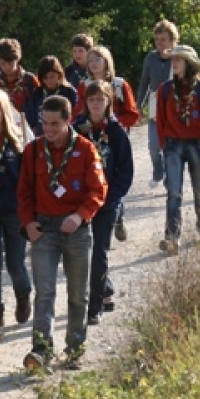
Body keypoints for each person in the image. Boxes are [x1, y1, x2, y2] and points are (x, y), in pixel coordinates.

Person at [18, 95, 108, 371]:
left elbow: (98, 189)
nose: (49, 130)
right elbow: (24, 192)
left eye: (55, 124)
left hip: (76, 229)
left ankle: (75, 349)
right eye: (44, 123)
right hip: (44, 229)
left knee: (78, 293)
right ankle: (41, 351)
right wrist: (28, 223)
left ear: (69, 121)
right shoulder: (33, 151)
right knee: (44, 292)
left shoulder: (85, 148)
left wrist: (80, 215)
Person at [73, 82, 134, 323]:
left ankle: (95, 305)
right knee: (79, 254)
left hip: (106, 203)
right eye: (92, 99)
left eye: (101, 99)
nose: (96, 104)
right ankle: (79, 300)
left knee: (100, 252)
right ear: (86, 102)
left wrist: (112, 197)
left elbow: (125, 170)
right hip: (79, 202)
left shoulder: (117, 132)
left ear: (109, 101)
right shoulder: (77, 129)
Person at [0, 89, 33, 342]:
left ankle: (23, 293)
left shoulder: (18, 142)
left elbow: (28, 179)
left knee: (15, 264)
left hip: (14, 212)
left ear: (5, 112)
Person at [155, 45, 200, 255]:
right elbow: (161, 121)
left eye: (179, 60)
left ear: (189, 64)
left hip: (197, 144)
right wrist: (164, 144)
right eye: (172, 59)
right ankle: (172, 237)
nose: (174, 63)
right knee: (173, 192)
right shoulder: (164, 89)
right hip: (173, 145)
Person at [136, 20, 180, 189]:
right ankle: (158, 170)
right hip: (155, 106)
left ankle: (171, 176)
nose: (160, 43)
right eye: (157, 40)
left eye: (163, 39)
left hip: (174, 107)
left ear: (172, 40)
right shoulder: (151, 58)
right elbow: (144, 82)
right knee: (154, 145)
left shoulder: (179, 57)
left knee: (172, 145)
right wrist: (138, 105)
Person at [77, 45, 141, 131]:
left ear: (106, 61)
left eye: (97, 59)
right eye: (90, 60)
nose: (93, 63)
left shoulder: (120, 84)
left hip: (116, 132)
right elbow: (78, 113)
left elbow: (132, 114)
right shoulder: (84, 85)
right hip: (90, 133)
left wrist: (113, 123)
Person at [0, 38, 39, 138]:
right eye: (3, 63)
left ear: (17, 59)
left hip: (27, 128)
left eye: (10, 63)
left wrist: (36, 126)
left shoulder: (29, 80)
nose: (6, 67)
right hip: (2, 127)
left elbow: (38, 105)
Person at [23, 55, 80, 132]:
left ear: (59, 75)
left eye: (52, 77)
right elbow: (30, 116)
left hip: (63, 133)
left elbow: (76, 114)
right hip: (41, 134)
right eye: (45, 78)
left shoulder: (69, 92)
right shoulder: (37, 94)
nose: (49, 81)